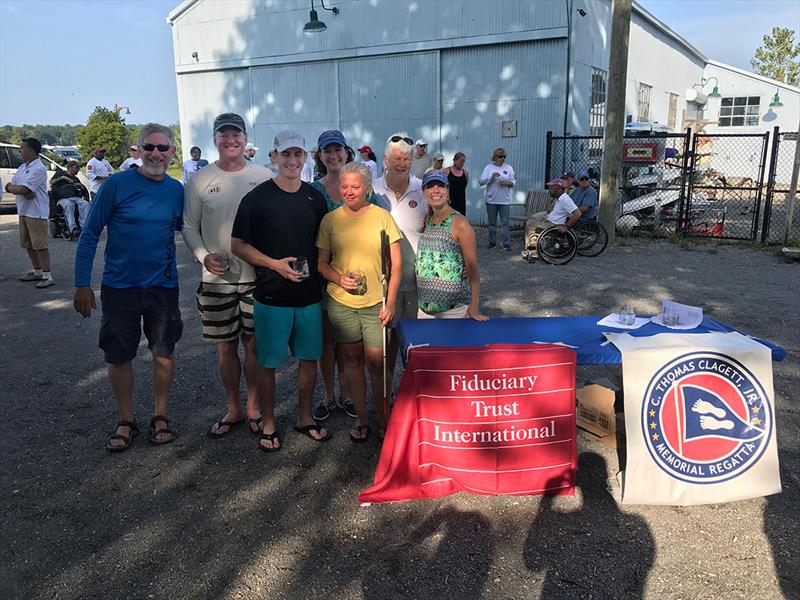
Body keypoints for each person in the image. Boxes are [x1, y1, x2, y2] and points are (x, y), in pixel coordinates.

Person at [73, 123, 184, 452]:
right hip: (119, 286)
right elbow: (90, 232)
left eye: (162, 148)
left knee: (163, 352)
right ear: (138, 150)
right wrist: (82, 283)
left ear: (172, 153)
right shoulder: (117, 185)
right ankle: (126, 420)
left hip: (163, 286)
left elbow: (189, 230)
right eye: (149, 147)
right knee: (119, 354)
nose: (156, 154)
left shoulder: (176, 190)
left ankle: (160, 416)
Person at [231, 130, 329, 452]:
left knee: (308, 360)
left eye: (298, 154)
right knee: (268, 363)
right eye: (285, 154)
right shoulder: (257, 199)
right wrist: (273, 264)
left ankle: (304, 417)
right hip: (271, 296)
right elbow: (238, 245)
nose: (292, 160)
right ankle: (270, 422)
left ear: (305, 158)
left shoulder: (314, 198)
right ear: (273, 157)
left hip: (309, 297)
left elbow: (325, 244)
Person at [183, 113, 273, 438]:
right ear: (215, 139)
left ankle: (253, 406)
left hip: (255, 277)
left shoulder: (263, 176)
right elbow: (189, 227)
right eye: (224, 135)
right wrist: (204, 257)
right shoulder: (199, 180)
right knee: (225, 347)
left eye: (236, 135)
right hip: (216, 281)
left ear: (245, 139)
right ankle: (233, 406)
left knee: (253, 346)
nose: (231, 140)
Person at [317, 162, 403, 440]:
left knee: (376, 363)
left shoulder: (382, 217)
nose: (349, 191)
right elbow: (321, 264)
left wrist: (390, 303)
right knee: (352, 361)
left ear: (367, 188)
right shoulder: (330, 220)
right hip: (341, 303)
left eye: (355, 186)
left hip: (375, 304)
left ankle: (383, 418)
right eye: (345, 186)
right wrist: (339, 279)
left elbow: (397, 264)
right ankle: (363, 421)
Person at [371, 132, 428, 392]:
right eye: (396, 157)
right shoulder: (372, 189)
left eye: (406, 158)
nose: (402, 162)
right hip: (382, 279)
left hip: (417, 277)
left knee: (415, 335)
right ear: (385, 158)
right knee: (386, 341)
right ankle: (386, 391)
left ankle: (414, 387)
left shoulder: (424, 188)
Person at [416, 170, 487, 321]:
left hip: (453, 311)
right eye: (430, 186)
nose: (436, 190)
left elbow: (473, 268)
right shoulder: (428, 218)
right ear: (424, 193)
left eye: (440, 186)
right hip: (424, 309)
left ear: (448, 191)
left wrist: (474, 306)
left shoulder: (459, 223)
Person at [5, 137, 54, 288]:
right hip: (24, 210)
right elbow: (14, 186)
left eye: (22, 148)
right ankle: (37, 271)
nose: (20, 151)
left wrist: (17, 189)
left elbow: (24, 189)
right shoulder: (22, 167)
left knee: (40, 245)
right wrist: (16, 189)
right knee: (28, 244)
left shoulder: (38, 168)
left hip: (36, 212)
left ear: (31, 150)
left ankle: (47, 275)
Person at [524, 179, 582, 259]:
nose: (549, 190)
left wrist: (566, 226)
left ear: (558, 189)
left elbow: (577, 213)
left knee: (530, 224)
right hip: (549, 218)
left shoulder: (565, 199)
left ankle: (534, 250)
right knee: (532, 218)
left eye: (551, 188)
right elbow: (548, 210)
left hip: (553, 224)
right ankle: (532, 246)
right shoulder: (559, 198)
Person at [478, 147, 516, 251]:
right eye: (500, 156)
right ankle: (492, 242)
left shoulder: (508, 167)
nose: (502, 158)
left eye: (504, 156)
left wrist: (507, 183)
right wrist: (491, 176)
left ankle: (506, 243)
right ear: (495, 157)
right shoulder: (488, 168)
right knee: (492, 223)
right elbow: (481, 182)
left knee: (505, 223)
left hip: (505, 201)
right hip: (491, 200)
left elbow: (514, 181)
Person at [51, 160, 90, 236]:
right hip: (62, 198)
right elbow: (51, 182)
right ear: (71, 167)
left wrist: (79, 186)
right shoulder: (60, 173)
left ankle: (84, 226)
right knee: (69, 204)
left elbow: (83, 190)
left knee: (85, 204)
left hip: (75, 197)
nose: (78, 170)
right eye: (77, 168)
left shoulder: (76, 179)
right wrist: (62, 178)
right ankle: (72, 228)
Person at [443, 152, 469, 216]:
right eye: (461, 161)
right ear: (455, 160)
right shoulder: (446, 171)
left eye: (463, 161)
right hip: (449, 201)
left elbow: (464, 186)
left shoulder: (465, 173)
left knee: (460, 220)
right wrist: (446, 196)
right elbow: (442, 186)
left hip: (461, 201)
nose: (462, 163)